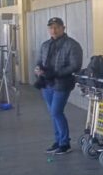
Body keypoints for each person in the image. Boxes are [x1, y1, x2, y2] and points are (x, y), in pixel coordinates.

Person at [36, 17, 83, 154]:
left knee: (56, 111)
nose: (54, 30)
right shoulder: (45, 45)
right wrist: (38, 69)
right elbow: (39, 61)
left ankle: (65, 143)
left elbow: (75, 66)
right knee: (53, 113)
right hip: (46, 84)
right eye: (51, 27)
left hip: (62, 84)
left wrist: (56, 73)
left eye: (56, 27)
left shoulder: (72, 45)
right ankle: (58, 141)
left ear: (63, 28)